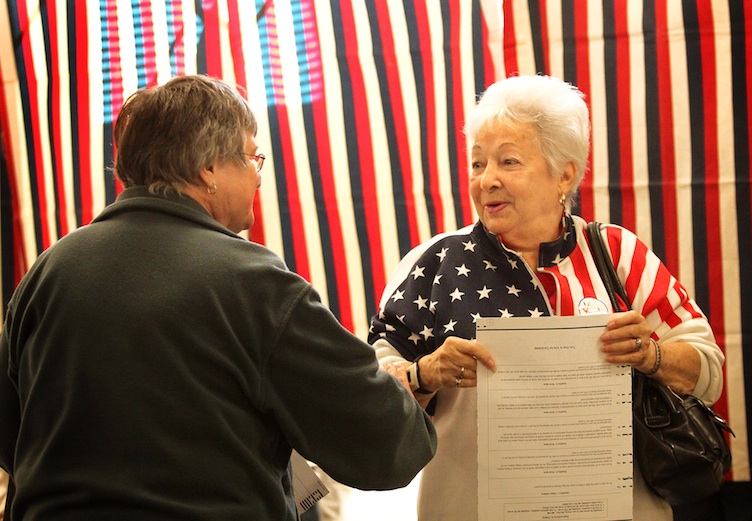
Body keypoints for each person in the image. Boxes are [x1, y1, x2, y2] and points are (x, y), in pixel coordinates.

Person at [0, 74, 436, 521]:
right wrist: (415, 382)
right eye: (252, 157)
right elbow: (385, 446)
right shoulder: (254, 282)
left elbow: (11, 435)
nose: (258, 177)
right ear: (208, 168)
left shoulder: (46, 272)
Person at [368, 74, 725, 520]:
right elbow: (370, 398)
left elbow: (708, 373)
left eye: (508, 162)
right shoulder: (434, 263)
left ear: (565, 174)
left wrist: (650, 354)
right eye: (478, 164)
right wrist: (423, 374)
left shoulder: (616, 251)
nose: (486, 181)